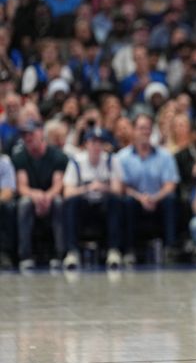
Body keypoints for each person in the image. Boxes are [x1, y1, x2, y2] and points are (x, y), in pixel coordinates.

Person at [115, 113, 180, 264]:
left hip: (159, 200)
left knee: (171, 199)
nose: (145, 132)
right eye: (141, 128)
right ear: (133, 130)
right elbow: (121, 187)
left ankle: (170, 249)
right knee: (125, 201)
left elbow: (170, 185)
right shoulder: (121, 157)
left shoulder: (165, 156)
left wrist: (154, 198)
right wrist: (140, 198)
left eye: (148, 128)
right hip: (135, 200)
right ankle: (129, 250)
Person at [12, 119, 69, 270]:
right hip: (32, 198)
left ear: (40, 133)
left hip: (50, 196)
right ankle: (25, 256)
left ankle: (60, 254)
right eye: (24, 135)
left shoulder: (57, 156)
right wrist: (36, 195)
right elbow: (22, 186)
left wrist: (46, 197)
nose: (28, 138)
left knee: (58, 202)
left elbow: (58, 185)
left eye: (31, 133)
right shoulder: (20, 156)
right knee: (24, 203)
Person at [62, 127, 122, 269]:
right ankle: (72, 252)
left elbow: (118, 190)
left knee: (116, 201)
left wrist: (103, 187)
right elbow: (67, 192)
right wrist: (87, 188)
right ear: (86, 144)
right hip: (84, 206)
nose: (97, 146)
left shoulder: (111, 160)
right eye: (93, 142)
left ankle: (114, 250)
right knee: (71, 203)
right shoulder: (76, 161)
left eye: (100, 143)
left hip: (103, 206)